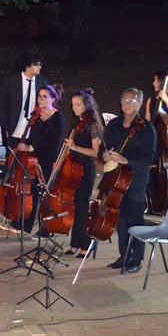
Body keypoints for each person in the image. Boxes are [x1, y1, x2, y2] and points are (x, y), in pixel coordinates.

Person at [0, 85, 66, 235]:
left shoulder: (58, 118)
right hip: (34, 160)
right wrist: (23, 144)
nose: (40, 100)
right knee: (33, 192)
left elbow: (55, 144)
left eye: (44, 97)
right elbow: (34, 138)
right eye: (39, 97)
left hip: (49, 160)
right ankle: (24, 224)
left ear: (53, 99)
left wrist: (30, 148)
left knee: (46, 196)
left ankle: (46, 229)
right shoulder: (37, 116)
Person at [101, 88, 157, 274]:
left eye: (131, 101)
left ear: (139, 104)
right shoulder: (114, 125)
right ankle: (124, 255)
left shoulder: (147, 129)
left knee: (135, 219)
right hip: (115, 179)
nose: (126, 104)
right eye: (124, 100)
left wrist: (127, 161)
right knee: (121, 219)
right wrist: (105, 154)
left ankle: (137, 259)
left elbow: (149, 159)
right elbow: (104, 148)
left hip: (135, 180)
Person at [62, 89, 104, 257]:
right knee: (75, 206)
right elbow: (70, 147)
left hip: (86, 169)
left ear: (86, 105)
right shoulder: (76, 123)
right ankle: (74, 244)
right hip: (74, 168)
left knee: (82, 207)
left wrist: (75, 147)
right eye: (73, 105)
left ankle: (86, 245)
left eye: (78, 105)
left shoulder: (93, 124)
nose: (75, 108)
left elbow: (96, 152)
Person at [0, 51, 47, 147]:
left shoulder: (43, 82)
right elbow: (3, 106)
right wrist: (3, 128)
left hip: (33, 131)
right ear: (28, 65)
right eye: (37, 64)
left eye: (40, 64)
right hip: (13, 129)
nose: (40, 67)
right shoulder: (11, 81)